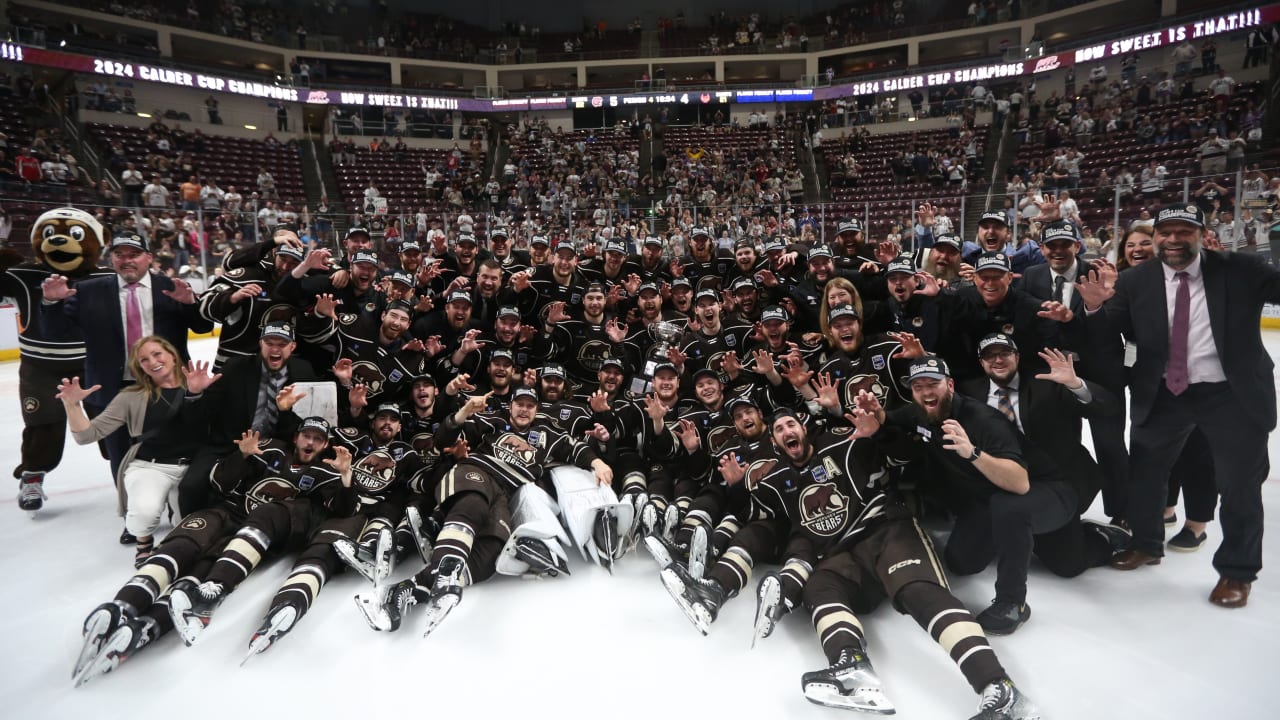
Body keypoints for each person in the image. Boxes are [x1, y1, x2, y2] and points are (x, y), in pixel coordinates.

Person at [662, 401, 1041, 719]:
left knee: (919, 594)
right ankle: (853, 668)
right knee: (819, 587)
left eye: (790, 423)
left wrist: (879, 432)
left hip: (885, 530)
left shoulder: (845, 444)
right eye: (778, 429)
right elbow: (759, 519)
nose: (785, 431)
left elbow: (905, 455)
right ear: (774, 442)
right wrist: (733, 488)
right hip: (839, 555)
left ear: (805, 429)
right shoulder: (775, 479)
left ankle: (998, 687)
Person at [1076, 204, 1280, 608]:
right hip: (1165, 391)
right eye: (1164, 231)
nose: (1172, 239)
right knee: (1147, 472)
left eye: (1182, 231)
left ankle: (1237, 572)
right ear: (1155, 237)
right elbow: (1110, 329)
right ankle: (1147, 543)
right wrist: (1097, 306)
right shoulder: (1136, 280)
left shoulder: (1241, 269)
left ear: (1202, 234)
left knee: (1239, 485)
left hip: (1230, 394)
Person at [40, 233, 213, 541]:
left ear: (149, 258)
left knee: (178, 443)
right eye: (119, 254)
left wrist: (190, 304)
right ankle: (135, 514)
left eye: (134, 253)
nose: (126, 259)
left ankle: (179, 503)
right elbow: (56, 330)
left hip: (168, 384)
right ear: (112, 260)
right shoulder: (89, 290)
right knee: (120, 453)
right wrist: (51, 302)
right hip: (112, 386)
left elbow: (202, 327)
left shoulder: (168, 288)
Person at [57, 337, 221, 565]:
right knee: (144, 513)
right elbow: (87, 435)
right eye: (144, 359)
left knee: (192, 524)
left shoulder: (200, 384)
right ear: (140, 368)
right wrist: (72, 405)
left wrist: (198, 394)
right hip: (151, 465)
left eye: (157, 354)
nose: (152, 361)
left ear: (172, 355)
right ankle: (144, 542)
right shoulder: (131, 397)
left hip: (193, 469)